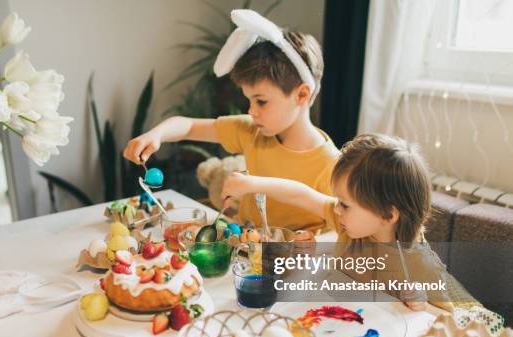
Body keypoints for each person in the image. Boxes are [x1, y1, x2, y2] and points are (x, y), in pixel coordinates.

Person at [124, 9, 339, 232]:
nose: (252, 110)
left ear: (302, 95)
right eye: (249, 100)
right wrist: (156, 135)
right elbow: (189, 126)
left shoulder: (332, 166)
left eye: (261, 101)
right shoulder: (252, 130)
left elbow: (337, 236)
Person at [222, 133, 479, 311]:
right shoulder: (349, 224)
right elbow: (301, 194)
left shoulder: (418, 264)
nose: (337, 209)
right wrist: (251, 184)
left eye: (345, 204)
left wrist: (420, 303)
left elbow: (469, 317)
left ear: (388, 215)